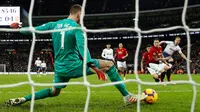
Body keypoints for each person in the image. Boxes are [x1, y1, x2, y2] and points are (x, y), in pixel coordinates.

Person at [5, 4, 146, 106]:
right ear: (78, 14)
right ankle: (127, 97)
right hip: (73, 65)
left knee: (54, 91)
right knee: (109, 65)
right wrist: (92, 65)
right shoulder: (77, 28)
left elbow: (32, 30)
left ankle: (24, 99)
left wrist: (19, 28)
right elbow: (82, 48)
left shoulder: (54, 24)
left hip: (59, 68)